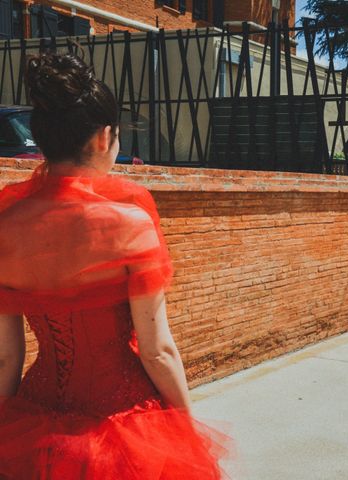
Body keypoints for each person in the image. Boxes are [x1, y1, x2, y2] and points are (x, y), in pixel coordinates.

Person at [0, 52, 226, 478]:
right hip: (121, 428)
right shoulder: (129, 223)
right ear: (104, 138)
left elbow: (6, 358)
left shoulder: (5, 227)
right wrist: (186, 430)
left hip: (33, 422)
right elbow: (157, 350)